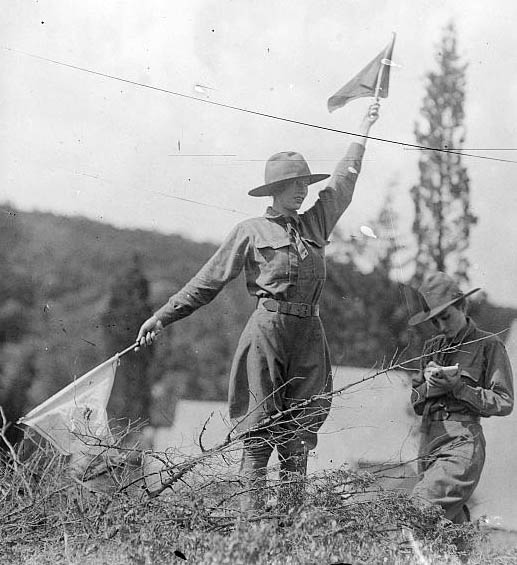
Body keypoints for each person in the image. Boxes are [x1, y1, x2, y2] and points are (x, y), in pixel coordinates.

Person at [136, 103, 380, 513]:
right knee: (259, 429)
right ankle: (251, 527)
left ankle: (288, 525)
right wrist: (162, 316)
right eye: (292, 185)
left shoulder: (316, 224)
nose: (301, 191)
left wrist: (364, 129)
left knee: (299, 434)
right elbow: (207, 282)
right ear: (274, 191)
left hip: (309, 335)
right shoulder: (250, 232)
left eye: (304, 183)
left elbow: (342, 183)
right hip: (268, 332)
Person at [408, 271, 513, 524]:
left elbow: (504, 401)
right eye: (435, 322)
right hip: (429, 441)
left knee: (419, 509)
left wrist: (459, 388)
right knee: (448, 530)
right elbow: (415, 401)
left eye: (446, 317)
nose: (442, 327)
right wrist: (428, 385)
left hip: (462, 442)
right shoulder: (432, 347)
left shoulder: (488, 344)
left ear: (462, 306)